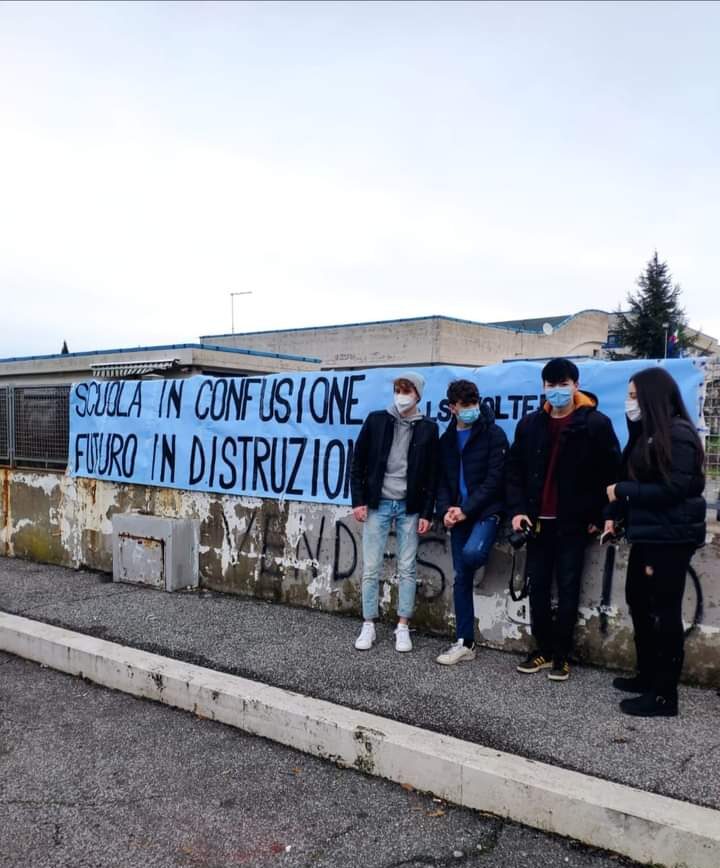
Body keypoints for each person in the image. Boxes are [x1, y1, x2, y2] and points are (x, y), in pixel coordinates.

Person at [506, 357, 620, 681]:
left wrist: (602, 515)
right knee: (537, 588)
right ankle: (541, 649)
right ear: (543, 388)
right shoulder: (529, 425)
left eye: (563, 384)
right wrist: (517, 511)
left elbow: (611, 472)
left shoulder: (595, 424)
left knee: (569, 589)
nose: (557, 390)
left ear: (576, 385)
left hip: (574, 522)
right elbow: (513, 471)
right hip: (537, 523)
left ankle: (561, 655)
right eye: (551, 384)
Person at [605, 367, 706, 717]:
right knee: (639, 602)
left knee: (664, 614)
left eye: (634, 396)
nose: (628, 403)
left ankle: (664, 695)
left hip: (669, 538)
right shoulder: (649, 433)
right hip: (649, 534)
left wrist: (623, 491)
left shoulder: (677, 435)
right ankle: (646, 675)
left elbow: (673, 489)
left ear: (651, 398)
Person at [350, 372, 439, 652]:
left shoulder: (428, 428)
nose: (402, 395)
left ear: (418, 395)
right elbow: (358, 462)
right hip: (378, 503)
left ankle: (403, 626)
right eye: (398, 389)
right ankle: (368, 625)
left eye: (407, 390)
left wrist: (426, 512)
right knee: (371, 567)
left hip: (409, 507)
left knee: (407, 567)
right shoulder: (377, 420)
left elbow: (431, 476)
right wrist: (359, 500)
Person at [435, 379, 508, 665]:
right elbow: (442, 480)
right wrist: (446, 510)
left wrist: (466, 509)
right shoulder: (447, 441)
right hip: (458, 515)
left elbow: (494, 480)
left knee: (472, 555)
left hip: (486, 512)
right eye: (465, 405)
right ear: (452, 407)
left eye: (474, 403)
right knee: (461, 578)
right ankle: (465, 642)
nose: (471, 409)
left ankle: (479, 559)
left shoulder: (494, 435)